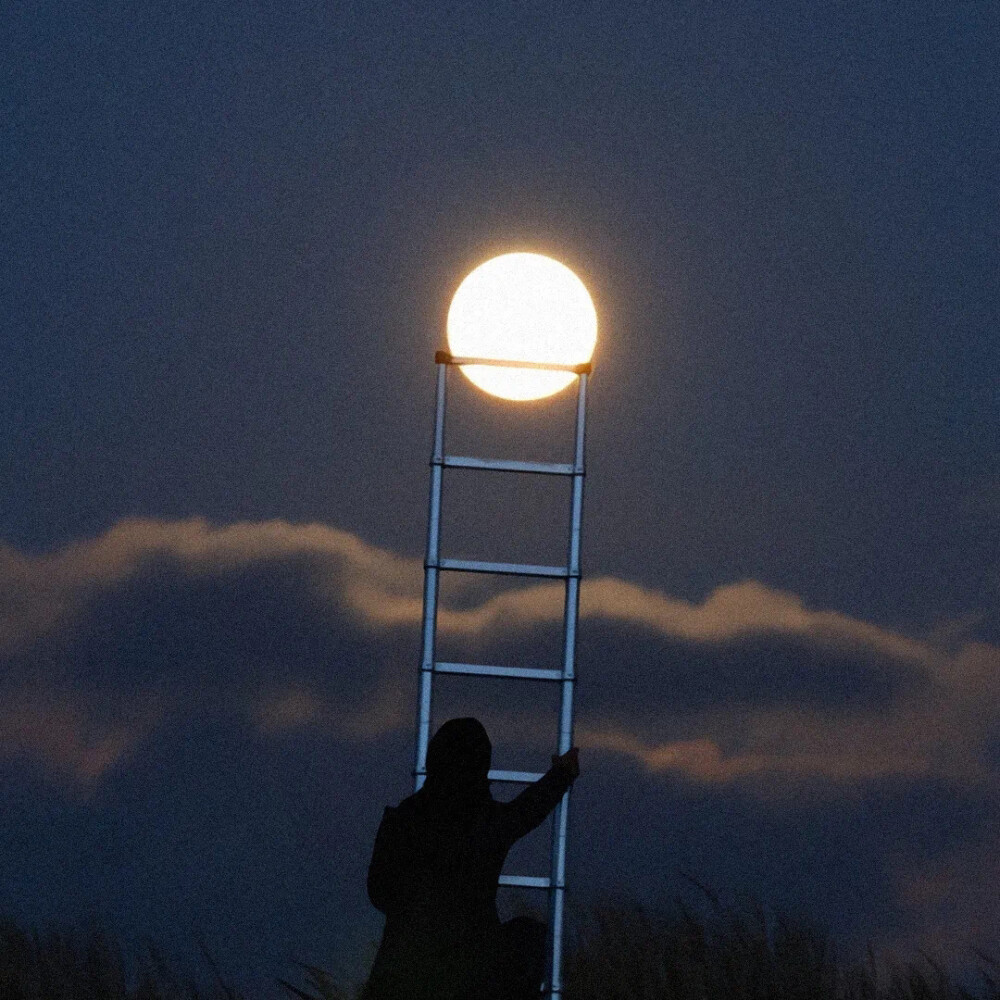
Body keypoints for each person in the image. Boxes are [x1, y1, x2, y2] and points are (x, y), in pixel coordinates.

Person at [363, 717, 581, 1000]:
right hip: (470, 977)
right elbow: (527, 810)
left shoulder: (404, 818)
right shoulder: (487, 822)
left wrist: (415, 911)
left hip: (401, 974)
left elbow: (378, 892)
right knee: (529, 938)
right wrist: (562, 775)